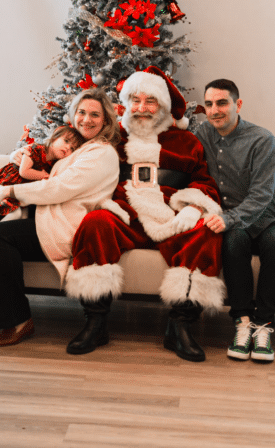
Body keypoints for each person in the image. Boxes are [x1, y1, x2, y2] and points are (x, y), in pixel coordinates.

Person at [0, 88, 121, 347]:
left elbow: (59, 188)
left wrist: (10, 190)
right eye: (81, 112)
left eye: (94, 115)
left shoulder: (101, 153)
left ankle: (19, 320)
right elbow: (42, 156)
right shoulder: (79, 146)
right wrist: (19, 155)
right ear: (73, 114)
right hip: (43, 212)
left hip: (62, 224)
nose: (86, 119)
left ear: (106, 121)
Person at [68, 66, 224, 361]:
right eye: (135, 100)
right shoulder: (112, 138)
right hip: (124, 214)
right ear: (125, 103)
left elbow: (205, 183)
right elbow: (70, 157)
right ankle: (95, 321)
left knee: (205, 232)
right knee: (96, 222)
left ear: (163, 106)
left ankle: (180, 326)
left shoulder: (187, 143)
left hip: (169, 217)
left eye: (150, 101)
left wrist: (192, 207)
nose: (141, 108)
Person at [196, 79, 275, 363]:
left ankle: (263, 325)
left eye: (222, 103)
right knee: (233, 242)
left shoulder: (263, 140)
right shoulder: (203, 133)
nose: (214, 110)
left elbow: (262, 194)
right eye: (209, 104)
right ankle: (242, 322)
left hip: (269, 219)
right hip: (236, 225)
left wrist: (228, 218)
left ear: (238, 105)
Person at [0, 124, 85, 219]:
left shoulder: (53, 164)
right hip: (12, 181)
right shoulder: (36, 149)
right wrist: (42, 175)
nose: (68, 148)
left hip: (22, 190)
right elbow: (24, 171)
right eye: (66, 141)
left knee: (22, 214)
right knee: (13, 211)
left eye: (72, 149)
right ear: (55, 138)